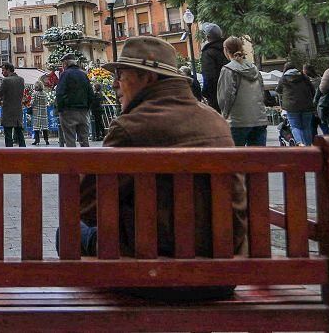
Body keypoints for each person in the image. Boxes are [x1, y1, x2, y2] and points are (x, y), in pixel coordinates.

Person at [77, 37, 248, 300]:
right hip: (222, 276)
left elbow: (87, 208)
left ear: (147, 78)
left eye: (121, 74)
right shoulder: (216, 121)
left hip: (151, 275)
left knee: (70, 231)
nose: (114, 84)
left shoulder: (130, 128)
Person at [217, 36, 268, 146]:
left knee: (236, 159)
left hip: (238, 121)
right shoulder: (254, 68)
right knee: (257, 160)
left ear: (226, 50)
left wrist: (224, 115)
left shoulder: (228, 69)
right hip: (259, 119)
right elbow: (262, 91)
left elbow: (225, 96)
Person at [54, 56, 95, 147]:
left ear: (65, 63)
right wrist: (86, 107)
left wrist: (60, 109)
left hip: (68, 112)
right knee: (84, 140)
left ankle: (72, 160)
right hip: (83, 112)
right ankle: (86, 159)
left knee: (70, 139)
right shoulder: (83, 74)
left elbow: (60, 93)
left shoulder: (65, 75)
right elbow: (91, 94)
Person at [277, 63, 316, 146]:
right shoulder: (304, 77)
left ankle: (300, 143)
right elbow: (312, 90)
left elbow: (278, 90)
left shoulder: (283, 78)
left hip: (291, 107)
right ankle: (308, 146)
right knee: (307, 127)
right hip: (307, 105)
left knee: (295, 126)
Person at [0, 62, 26, 147]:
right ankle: (24, 151)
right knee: (19, 133)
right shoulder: (21, 79)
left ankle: (9, 153)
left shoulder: (6, 80)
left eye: (3, 70)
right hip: (18, 110)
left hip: (8, 111)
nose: (2, 72)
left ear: (8, 70)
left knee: (8, 134)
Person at [200, 23, 227, 112]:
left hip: (216, 97)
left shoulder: (208, 53)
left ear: (207, 37)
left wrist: (206, 94)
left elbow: (209, 77)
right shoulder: (228, 49)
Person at [31, 77, 51, 145]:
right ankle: (46, 140)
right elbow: (47, 102)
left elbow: (32, 103)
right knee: (44, 127)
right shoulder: (45, 94)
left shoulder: (34, 94)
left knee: (36, 127)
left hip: (36, 111)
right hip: (43, 112)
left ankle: (37, 140)